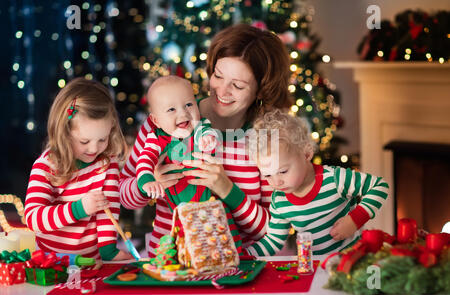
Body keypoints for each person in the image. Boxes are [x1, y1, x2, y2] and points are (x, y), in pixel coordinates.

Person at [120, 23, 293, 257]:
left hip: (237, 269)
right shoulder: (165, 119)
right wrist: (150, 183)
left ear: (261, 90)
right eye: (217, 76)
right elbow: (123, 195)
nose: (222, 91)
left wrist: (227, 188)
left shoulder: (267, 138)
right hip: (169, 265)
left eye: (238, 85)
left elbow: (272, 231)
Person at [244, 110, 390, 256]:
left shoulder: (334, 178)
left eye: (283, 171)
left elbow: (379, 186)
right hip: (318, 270)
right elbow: (273, 241)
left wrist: (355, 220)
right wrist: (244, 255)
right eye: (268, 175)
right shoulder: (280, 201)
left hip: (354, 260)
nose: (276, 182)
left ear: (306, 154)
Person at [24, 77, 133, 262]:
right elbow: (34, 219)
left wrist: (108, 251)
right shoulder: (46, 166)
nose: (94, 149)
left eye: (102, 139)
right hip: (53, 261)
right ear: (64, 133)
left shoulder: (107, 163)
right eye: (84, 141)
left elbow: (109, 209)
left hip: (92, 261)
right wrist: (78, 209)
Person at [136, 75, 219, 209]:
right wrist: (147, 181)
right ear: (156, 120)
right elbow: (145, 159)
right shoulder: (157, 138)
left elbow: (208, 132)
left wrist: (208, 139)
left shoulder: (198, 127)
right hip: (178, 207)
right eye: (171, 109)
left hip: (209, 202)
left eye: (188, 105)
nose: (183, 114)